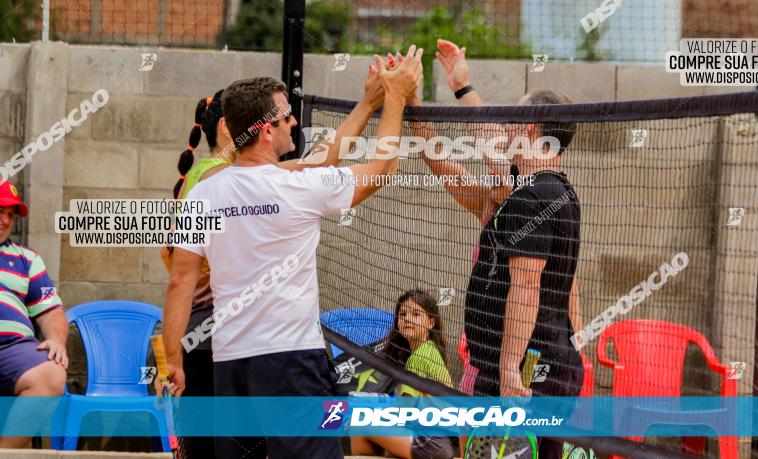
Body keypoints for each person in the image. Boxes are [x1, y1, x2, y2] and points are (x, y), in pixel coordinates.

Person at [162, 47, 422, 459]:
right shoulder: (295, 189)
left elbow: (180, 281)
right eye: (286, 117)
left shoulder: (207, 191)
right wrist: (395, 98)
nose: (295, 121)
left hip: (230, 363)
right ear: (267, 131)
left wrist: (172, 358)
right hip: (291, 361)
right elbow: (380, 171)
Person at [412, 40, 584, 459]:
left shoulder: (531, 198)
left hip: (525, 371)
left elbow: (527, 288)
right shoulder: (545, 192)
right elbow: (464, 159)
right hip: (537, 364)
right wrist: (459, 87)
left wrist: (510, 370)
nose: (502, 128)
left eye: (513, 120)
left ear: (528, 129)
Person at [160, 90, 232, 459]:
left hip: (204, 334)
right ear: (225, 127)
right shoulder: (219, 175)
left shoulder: (206, 173)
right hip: (207, 336)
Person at [350, 289, 457, 459]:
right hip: (441, 441)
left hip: (430, 443)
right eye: (403, 314)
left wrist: (375, 406)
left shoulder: (420, 356)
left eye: (416, 314)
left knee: (358, 422)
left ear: (431, 322)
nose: (407, 318)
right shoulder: (430, 350)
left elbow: (406, 410)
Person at [0, 181, 67, 448]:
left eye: (10, 214)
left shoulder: (27, 259)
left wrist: (58, 341)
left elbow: (52, 311)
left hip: (13, 349)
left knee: (52, 374)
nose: (5, 220)